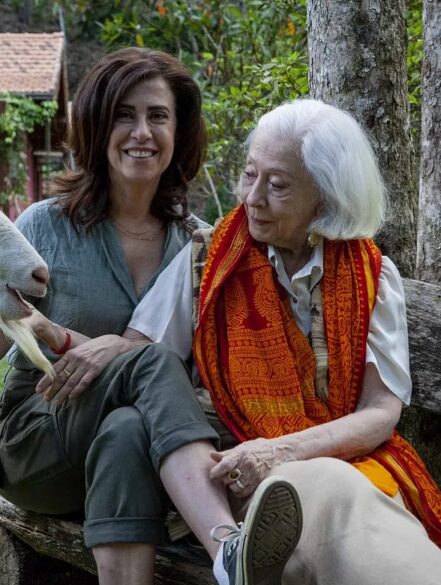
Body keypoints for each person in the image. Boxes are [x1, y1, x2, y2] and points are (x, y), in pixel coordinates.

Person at [0, 47, 301, 585]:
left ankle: (221, 557)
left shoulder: (202, 245)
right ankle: (226, 543)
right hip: (40, 438)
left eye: (158, 116)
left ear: (179, 131)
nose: (141, 132)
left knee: (125, 427)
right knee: (152, 361)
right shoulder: (44, 226)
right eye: (124, 115)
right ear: (98, 126)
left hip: (144, 452)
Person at [117, 98, 441, 584]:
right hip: (243, 477)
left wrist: (282, 450)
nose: (253, 197)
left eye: (278, 185)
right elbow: (141, 354)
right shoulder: (209, 261)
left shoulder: (370, 275)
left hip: (347, 464)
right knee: (324, 507)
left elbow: (380, 413)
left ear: (325, 196)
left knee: (347, 502)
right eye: (250, 174)